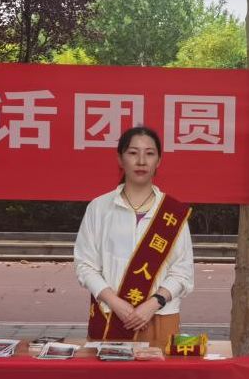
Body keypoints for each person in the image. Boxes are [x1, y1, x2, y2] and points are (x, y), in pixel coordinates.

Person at [74, 126, 194, 350]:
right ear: (120, 159)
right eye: (132, 153)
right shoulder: (99, 208)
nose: (141, 161)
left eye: (149, 153)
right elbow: (85, 265)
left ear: (158, 161)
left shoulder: (173, 212)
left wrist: (153, 303)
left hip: (160, 317)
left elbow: (183, 271)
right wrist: (116, 303)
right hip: (110, 316)